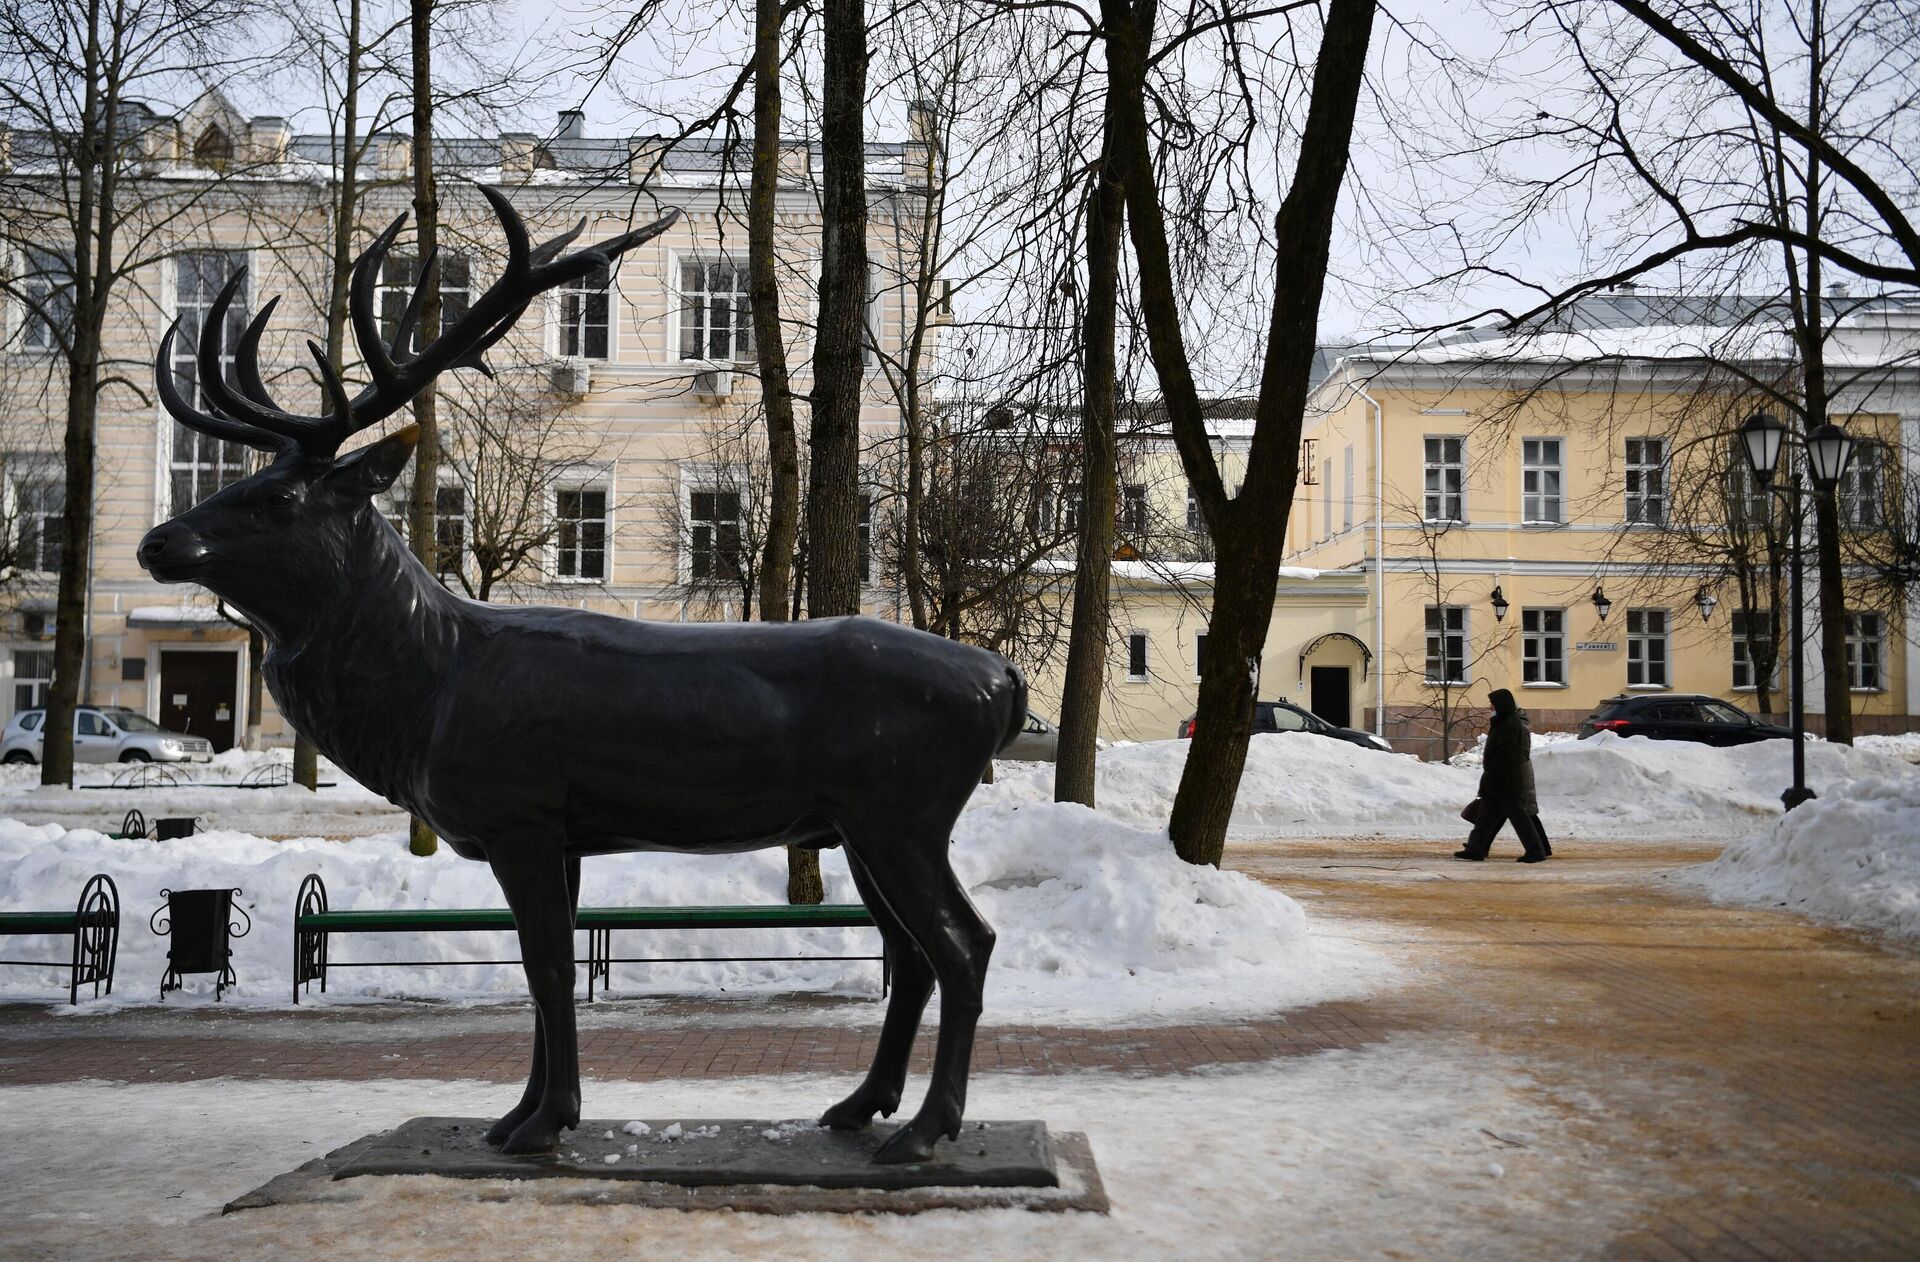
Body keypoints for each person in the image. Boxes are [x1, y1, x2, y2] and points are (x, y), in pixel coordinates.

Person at [1456, 688, 1551, 863]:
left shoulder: (1509, 725)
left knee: (1518, 816)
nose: (1490, 707)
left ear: (1501, 705)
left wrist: (1493, 771)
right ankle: (1475, 849)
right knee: (1486, 816)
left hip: (1505, 780)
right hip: (1498, 778)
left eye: (1492, 704)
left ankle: (1535, 850)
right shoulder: (1504, 722)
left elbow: (1508, 755)